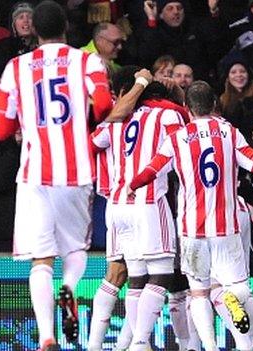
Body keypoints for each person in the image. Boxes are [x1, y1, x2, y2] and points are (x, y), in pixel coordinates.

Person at [0, 1, 113, 350]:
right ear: (67, 29)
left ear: (34, 31)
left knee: (40, 259)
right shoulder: (87, 61)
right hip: (75, 171)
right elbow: (103, 106)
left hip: (34, 174)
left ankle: (46, 337)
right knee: (74, 249)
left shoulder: (16, 67)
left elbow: (0, 129)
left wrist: (22, 124)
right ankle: (69, 288)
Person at [128, 81, 253, 351]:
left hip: (192, 231)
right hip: (227, 227)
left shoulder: (177, 138)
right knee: (240, 287)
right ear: (214, 105)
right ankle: (245, 346)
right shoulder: (228, 132)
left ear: (187, 108)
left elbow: (151, 171)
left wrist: (132, 186)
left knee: (198, 293)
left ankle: (209, 346)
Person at [91, 77, 187, 350]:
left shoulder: (117, 118)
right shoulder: (168, 114)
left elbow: (94, 141)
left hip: (116, 203)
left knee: (132, 275)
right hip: (147, 199)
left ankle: (105, 346)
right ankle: (141, 342)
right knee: (161, 274)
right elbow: (182, 147)